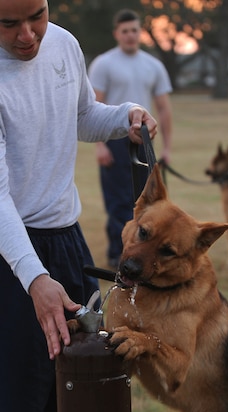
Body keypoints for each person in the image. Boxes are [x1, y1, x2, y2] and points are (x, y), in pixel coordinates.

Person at [0, 1, 157, 412]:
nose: (29, 34)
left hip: (67, 242)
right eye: (8, 24)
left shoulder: (64, 43)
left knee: (76, 397)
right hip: (12, 254)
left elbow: (83, 114)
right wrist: (34, 277)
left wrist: (125, 115)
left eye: (38, 15)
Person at [88, 9, 172, 269]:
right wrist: (100, 146)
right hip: (114, 138)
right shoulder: (104, 63)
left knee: (148, 200)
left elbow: (164, 108)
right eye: (125, 31)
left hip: (144, 139)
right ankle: (117, 253)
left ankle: (144, 254)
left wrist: (166, 148)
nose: (130, 35)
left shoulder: (153, 65)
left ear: (140, 32)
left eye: (134, 30)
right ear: (117, 34)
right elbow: (93, 106)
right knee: (118, 201)